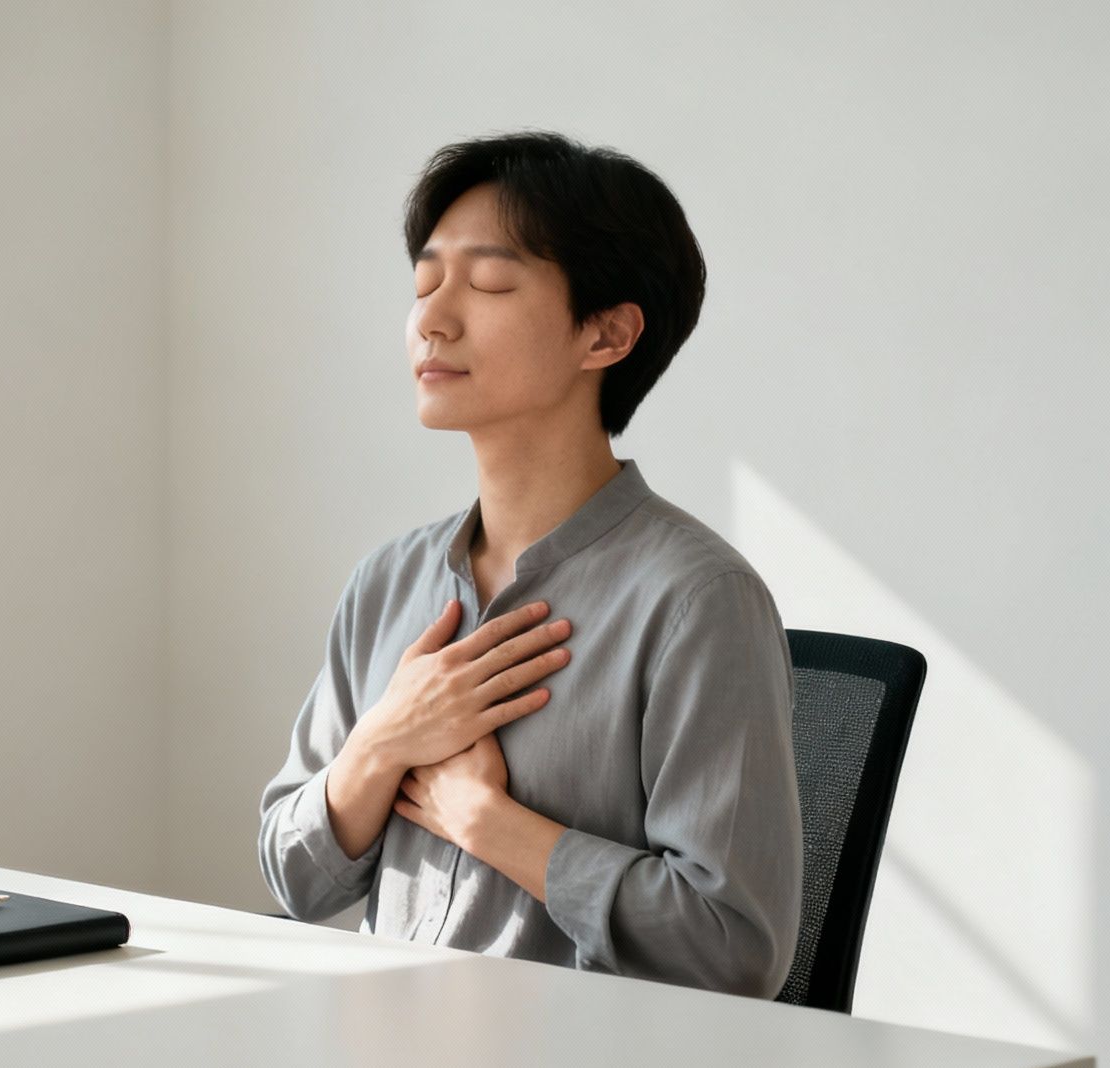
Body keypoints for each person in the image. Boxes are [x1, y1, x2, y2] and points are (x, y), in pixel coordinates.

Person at [255, 130, 803, 999]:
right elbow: (296, 880)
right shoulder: (387, 584)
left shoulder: (699, 599)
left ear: (608, 334)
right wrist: (385, 743)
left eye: (489, 283)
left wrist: (490, 822)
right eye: (425, 282)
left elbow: (732, 952)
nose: (433, 317)